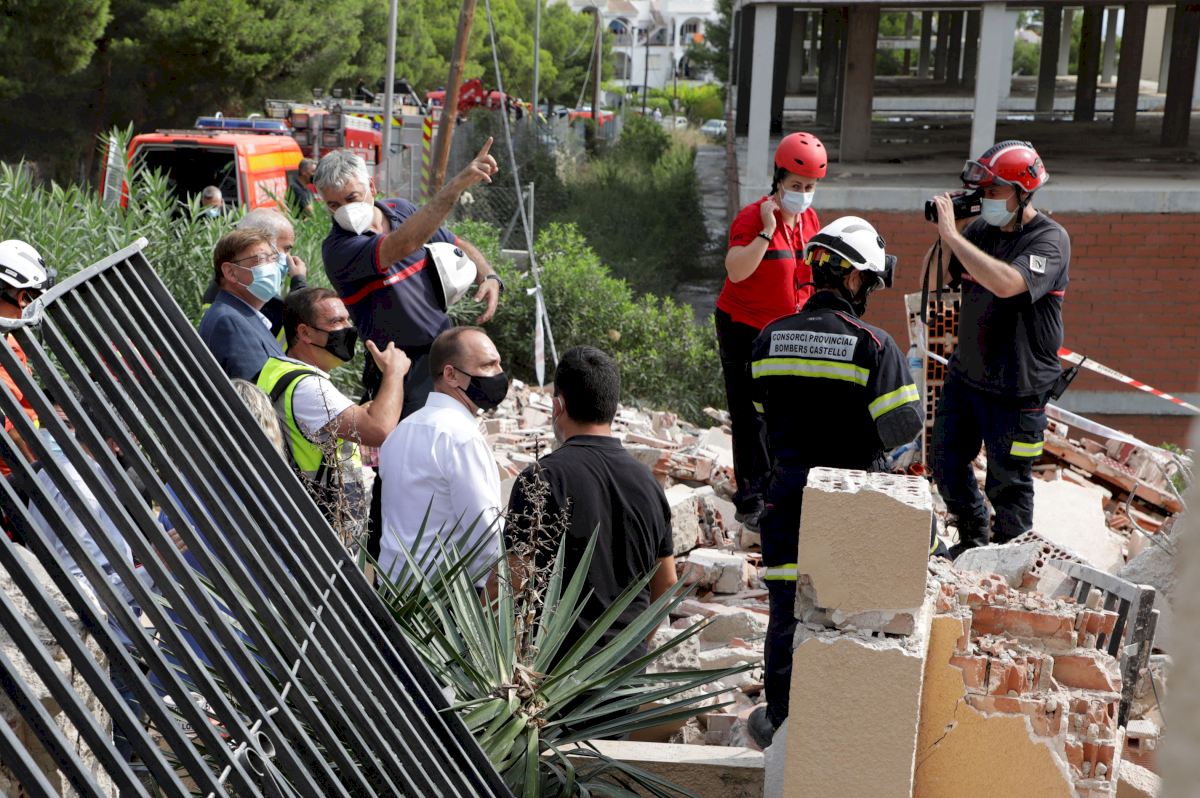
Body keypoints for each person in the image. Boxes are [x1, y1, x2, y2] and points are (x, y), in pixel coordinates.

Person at [744, 216, 923, 748]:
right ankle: (840, 732)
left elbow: (762, 417)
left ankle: (781, 724)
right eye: (869, 282)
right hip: (850, 504)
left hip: (786, 501)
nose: (869, 292)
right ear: (852, 278)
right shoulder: (874, 345)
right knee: (846, 617)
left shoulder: (768, 339)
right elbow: (903, 429)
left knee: (785, 611)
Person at [929, 141, 1069, 559]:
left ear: (1023, 192)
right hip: (968, 376)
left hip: (1019, 389)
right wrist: (949, 235)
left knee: (1008, 484)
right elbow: (935, 281)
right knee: (945, 461)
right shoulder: (979, 233)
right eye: (983, 191)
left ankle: (1009, 563)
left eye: (994, 191)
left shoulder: (1050, 240)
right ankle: (973, 540)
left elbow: (1008, 284)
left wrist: (954, 237)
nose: (986, 199)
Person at [503, 346, 678, 664]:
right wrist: (633, 646)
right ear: (613, 409)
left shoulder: (540, 478)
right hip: (624, 678)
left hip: (552, 676)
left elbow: (513, 581)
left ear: (558, 405)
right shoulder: (648, 482)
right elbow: (666, 583)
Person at [315, 145, 503, 417]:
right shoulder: (338, 249)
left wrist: (489, 275)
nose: (344, 210)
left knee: (457, 423)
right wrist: (456, 186)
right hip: (399, 366)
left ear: (371, 186)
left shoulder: (400, 210)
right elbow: (404, 244)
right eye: (333, 205)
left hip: (443, 351)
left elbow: (455, 242)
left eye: (351, 198)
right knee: (411, 434)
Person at [715, 132, 827, 532]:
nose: (803, 194)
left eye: (810, 187)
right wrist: (766, 230)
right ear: (778, 179)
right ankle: (751, 498)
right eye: (796, 186)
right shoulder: (752, 217)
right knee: (749, 414)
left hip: (786, 329)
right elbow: (736, 270)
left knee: (783, 410)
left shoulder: (810, 220)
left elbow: (810, 273)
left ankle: (779, 489)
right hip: (743, 326)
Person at [257, 288, 410, 542]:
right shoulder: (308, 387)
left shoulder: (280, 370)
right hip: (317, 522)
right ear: (304, 332)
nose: (348, 328)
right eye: (336, 321)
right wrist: (394, 372)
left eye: (347, 319)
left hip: (307, 512)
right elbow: (379, 430)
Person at [378, 326, 507, 587]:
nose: (499, 373)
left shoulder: (402, 430)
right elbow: (486, 533)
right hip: (443, 596)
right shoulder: (461, 437)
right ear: (451, 374)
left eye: (498, 364)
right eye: (488, 365)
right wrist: (499, 591)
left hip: (391, 585)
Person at [201, 208, 308, 339]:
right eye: (286, 249)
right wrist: (299, 282)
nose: (289, 258)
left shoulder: (231, 289)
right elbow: (310, 325)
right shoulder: (250, 295)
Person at [197, 229, 285, 381]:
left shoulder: (240, 315)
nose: (272, 267)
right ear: (231, 272)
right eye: (262, 259)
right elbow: (254, 389)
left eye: (273, 258)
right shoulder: (230, 321)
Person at [0, 239, 53, 477]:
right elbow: (12, 427)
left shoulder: (8, 341)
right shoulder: (6, 349)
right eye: (32, 299)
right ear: (21, 297)